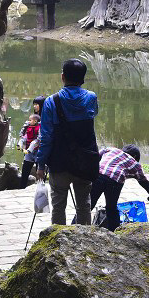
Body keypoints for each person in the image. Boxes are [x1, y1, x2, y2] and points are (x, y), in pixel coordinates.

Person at [35, 59, 99, 225]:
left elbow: (46, 137)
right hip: (85, 161)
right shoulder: (91, 98)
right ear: (83, 78)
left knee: (58, 206)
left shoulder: (51, 102)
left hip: (59, 162)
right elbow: (94, 114)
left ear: (62, 77)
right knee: (84, 205)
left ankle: (58, 241)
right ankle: (85, 240)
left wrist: (41, 165)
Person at [91, 145, 149, 231]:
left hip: (98, 175)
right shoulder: (134, 164)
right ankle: (114, 232)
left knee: (88, 204)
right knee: (111, 208)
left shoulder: (110, 149)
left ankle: (74, 227)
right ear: (135, 156)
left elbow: (95, 156)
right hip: (114, 181)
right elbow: (146, 185)